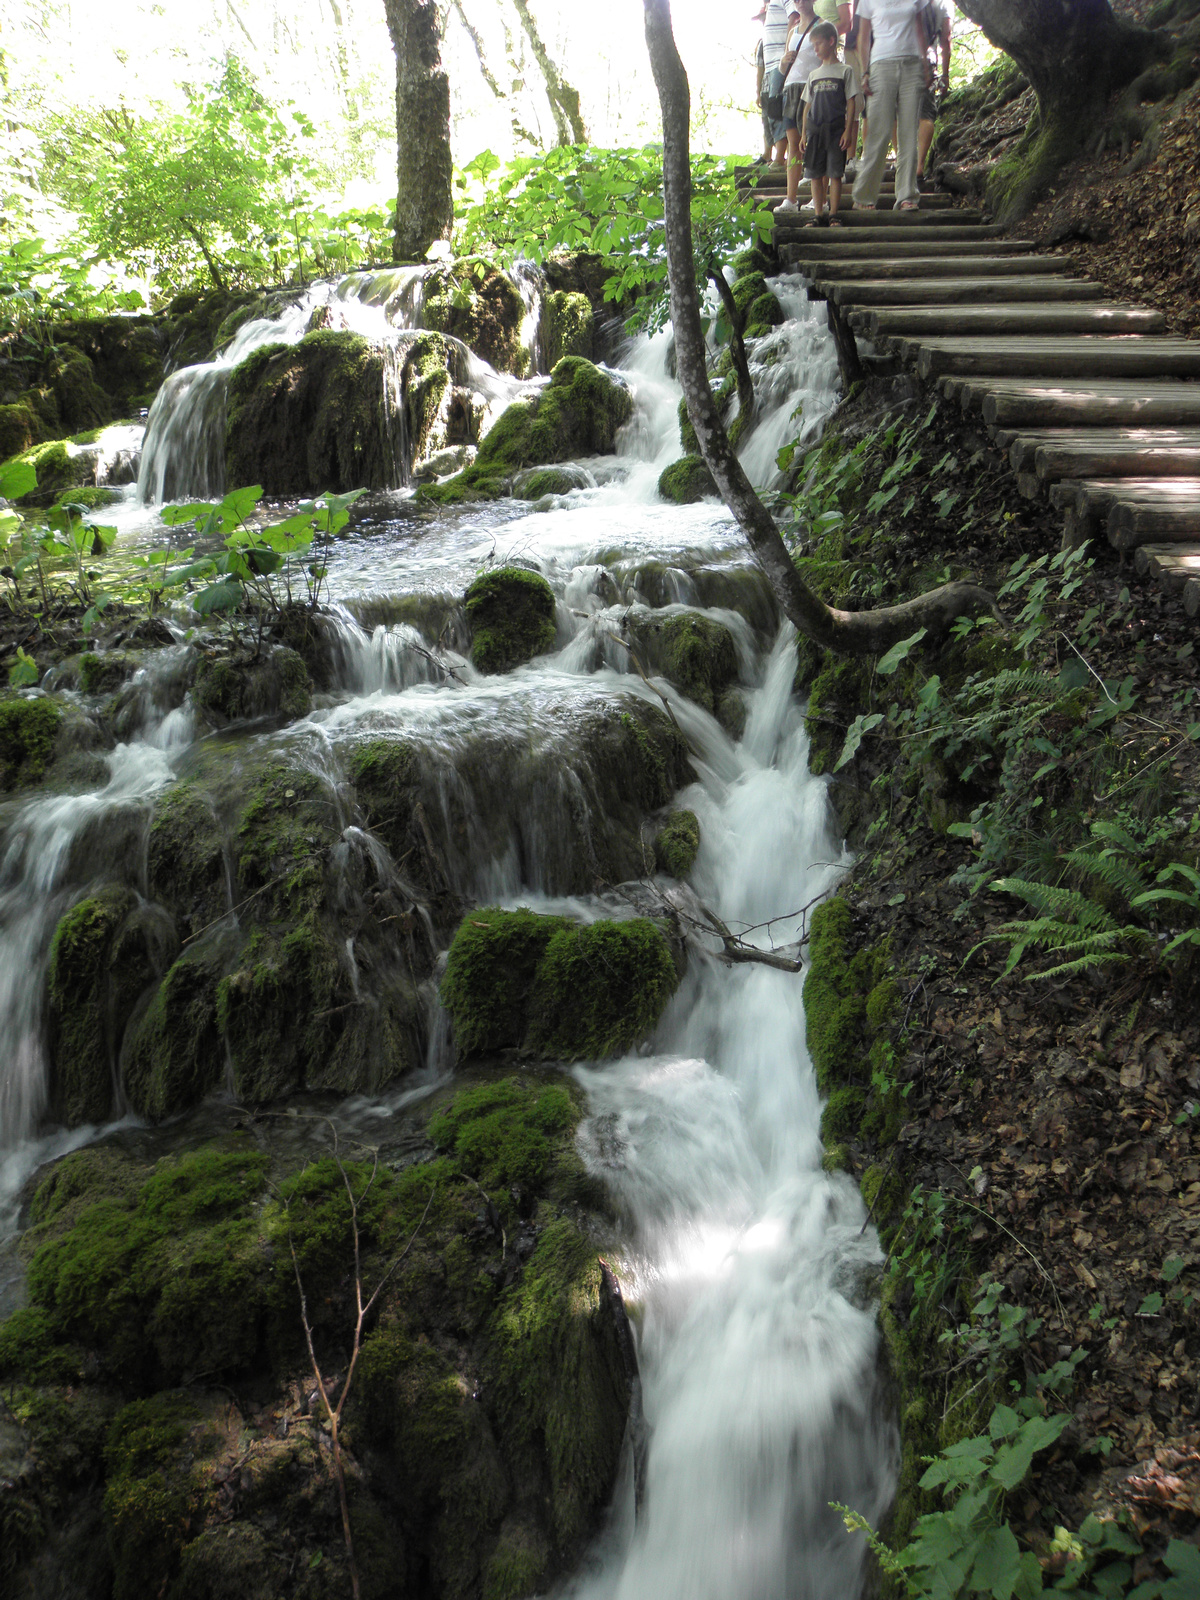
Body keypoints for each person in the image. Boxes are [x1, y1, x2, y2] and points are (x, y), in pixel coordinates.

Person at [851, 0, 932, 212]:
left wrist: (926, 63)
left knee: (908, 133)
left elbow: (919, 29)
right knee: (879, 131)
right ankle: (864, 196)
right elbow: (863, 37)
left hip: (912, 66)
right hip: (881, 65)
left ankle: (907, 196)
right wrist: (864, 71)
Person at [799, 22, 861, 223]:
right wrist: (803, 134)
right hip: (815, 131)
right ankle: (818, 214)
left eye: (818, 43)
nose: (815, 48)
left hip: (836, 130)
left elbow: (851, 102)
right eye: (813, 44)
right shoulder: (813, 75)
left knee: (835, 173)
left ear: (831, 41)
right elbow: (807, 106)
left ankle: (834, 214)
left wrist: (848, 131)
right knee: (815, 174)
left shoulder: (845, 71)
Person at [916, 0, 951, 181]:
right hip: (928, 62)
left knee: (897, 113)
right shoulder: (942, 4)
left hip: (901, 57)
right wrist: (944, 74)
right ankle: (919, 165)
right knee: (926, 114)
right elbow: (945, 39)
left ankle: (902, 161)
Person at [761, 0, 793, 168]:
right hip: (772, 63)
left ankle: (780, 157)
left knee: (777, 106)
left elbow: (794, 16)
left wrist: (786, 51)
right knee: (773, 106)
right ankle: (779, 156)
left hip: (780, 61)